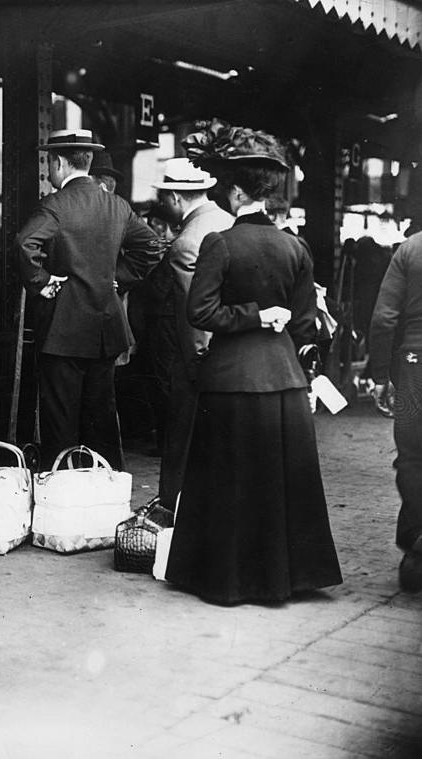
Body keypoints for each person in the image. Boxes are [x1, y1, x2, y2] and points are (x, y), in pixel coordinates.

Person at [165, 121, 342, 605]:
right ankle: (282, 579)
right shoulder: (295, 247)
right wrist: (272, 319)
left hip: (230, 381)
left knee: (228, 481)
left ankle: (226, 579)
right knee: (279, 482)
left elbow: (199, 312)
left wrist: (247, 314)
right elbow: (305, 324)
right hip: (282, 380)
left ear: (239, 192)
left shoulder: (220, 243)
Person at [18, 129, 163, 469]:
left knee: (60, 420)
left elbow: (25, 243)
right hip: (105, 330)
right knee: (101, 418)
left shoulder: (54, 205)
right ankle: (105, 492)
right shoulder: (116, 205)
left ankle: (63, 494)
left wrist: (41, 281)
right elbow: (151, 247)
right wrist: (118, 278)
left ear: (58, 162)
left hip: (62, 332)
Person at [152, 158, 235, 509]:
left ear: (174, 196)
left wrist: (197, 364)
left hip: (202, 361)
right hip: (235, 354)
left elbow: (194, 318)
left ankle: (174, 512)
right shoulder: (230, 222)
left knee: (184, 441)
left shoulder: (186, 242)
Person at [369, 230, 422, 591]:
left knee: (412, 458)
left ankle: (417, 540)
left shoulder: (411, 248)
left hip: (414, 368)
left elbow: (383, 318)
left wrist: (379, 376)